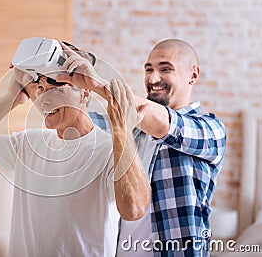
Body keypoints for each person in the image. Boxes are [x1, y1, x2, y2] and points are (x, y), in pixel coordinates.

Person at [0, 41, 151, 256]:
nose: (43, 99)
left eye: (54, 87)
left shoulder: (111, 151)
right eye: (40, 89)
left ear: (85, 93)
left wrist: (121, 128)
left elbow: (134, 209)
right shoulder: (27, 145)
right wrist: (10, 99)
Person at [74, 39, 226, 256]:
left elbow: (164, 123)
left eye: (165, 69)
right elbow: (75, 121)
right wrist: (56, 76)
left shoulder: (210, 129)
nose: (153, 78)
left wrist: (95, 82)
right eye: (149, 70)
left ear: (193, 75)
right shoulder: (131, 130)